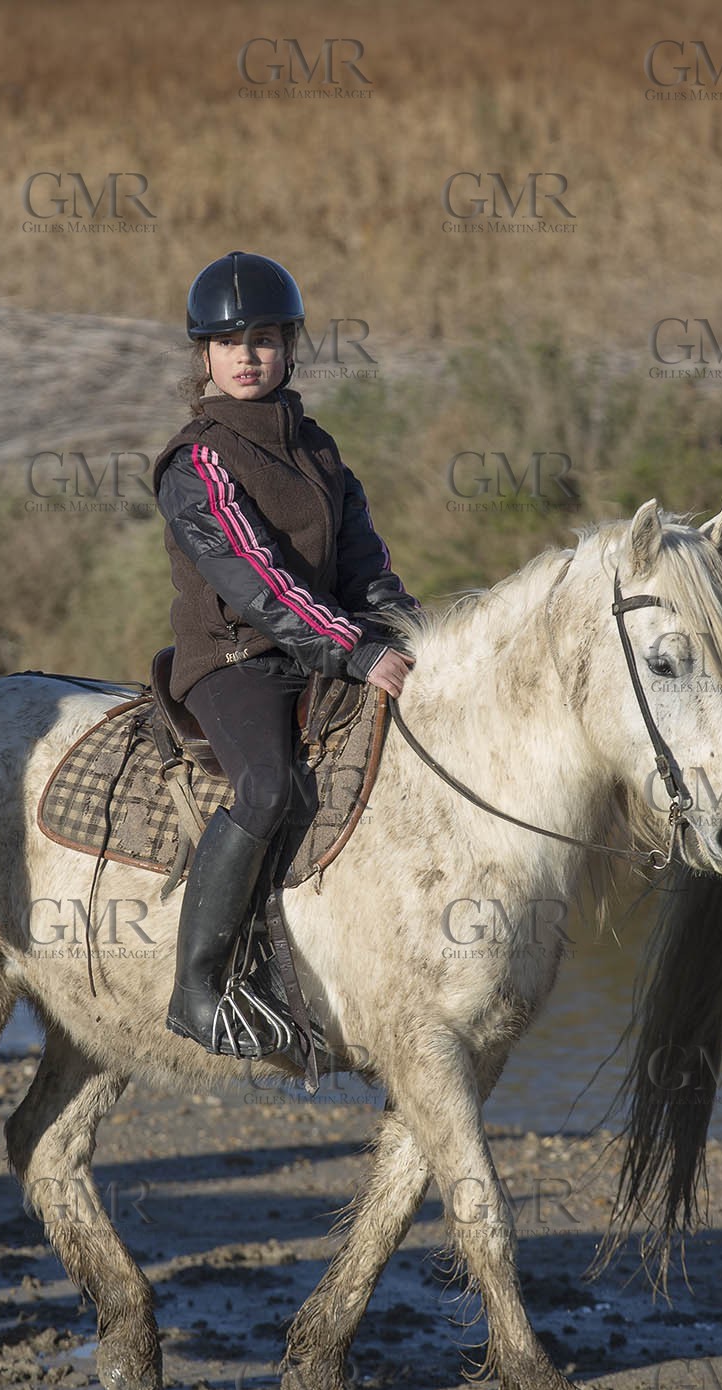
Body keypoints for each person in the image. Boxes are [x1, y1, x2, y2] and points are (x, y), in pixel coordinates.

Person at [154, 250, 420, 1057]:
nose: (246, 356)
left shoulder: (319, 448)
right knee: (266, 787)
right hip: (235, 661)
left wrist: (412, 634)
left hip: (318, 652)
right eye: (229, 342)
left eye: (263, 339)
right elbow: (258, 581)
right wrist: (355, 650)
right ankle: (196, 989)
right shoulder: (195, 460)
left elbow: (363, 566)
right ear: (203, 355)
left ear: (291, 347)